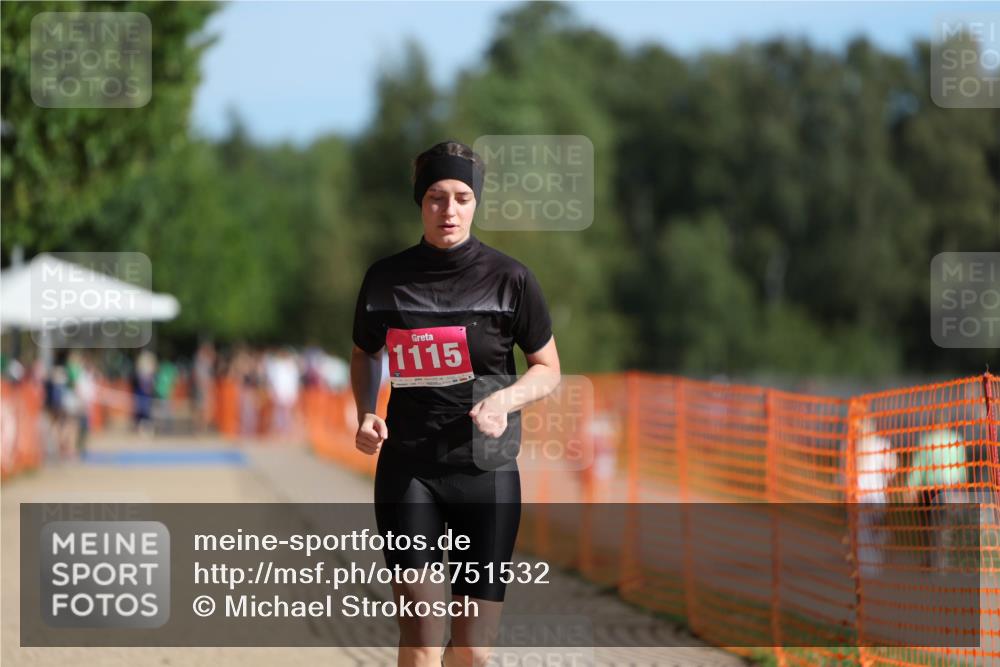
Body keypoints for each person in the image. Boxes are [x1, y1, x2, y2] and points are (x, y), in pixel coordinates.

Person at [351, 140, 561, 667]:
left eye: (462, 198)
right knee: (422, 639)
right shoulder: (385, 279)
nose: (449, 211)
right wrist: (366, 412)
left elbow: (548, 369)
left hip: (485, 472)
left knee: (472, 649)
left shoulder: (511, 279)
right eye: (437, 198)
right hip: (409, 469)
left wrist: (504, 401)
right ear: (420, 202)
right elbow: (364, 352)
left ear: (476, 203)